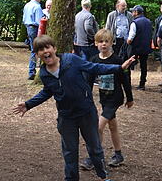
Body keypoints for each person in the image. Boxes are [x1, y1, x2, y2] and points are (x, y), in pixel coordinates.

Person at [13, 35, 136, 181]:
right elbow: (47, 91)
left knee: (95, 149)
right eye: (40, 49)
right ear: (37, 54)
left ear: (54, 49)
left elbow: (94, 67)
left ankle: (103, 176)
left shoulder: (71, 60)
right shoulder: (44, 73)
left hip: (86, 113)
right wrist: (28, 104)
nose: (45, 51)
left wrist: (119, 67)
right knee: (69, 152)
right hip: (66, 117)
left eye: (47, 47)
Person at [82, 29, 134, 169]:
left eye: (106, 41)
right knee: (112, 126)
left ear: (112, 43)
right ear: (96, 44)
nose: (103, 44)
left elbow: (125, 80)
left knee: (98, 127)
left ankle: (94, 157)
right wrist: (85, 96)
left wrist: (130, 98)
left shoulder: (117, 60)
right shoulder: (94, 60)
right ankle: (118, 155)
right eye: (100, 41)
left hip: (115, 98)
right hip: (104, 98)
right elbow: (88, 80)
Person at [125, 5, 152, 90]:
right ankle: (142, 84)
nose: (132, 13)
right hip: (145, 47)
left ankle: (127, 82)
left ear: (136, 12)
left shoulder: (135, 22)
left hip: (135, 48)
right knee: (144, 66)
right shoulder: (148, 21)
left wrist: (127, 42)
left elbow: (131, 36)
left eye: (133, 11)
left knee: (128, 64)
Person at [22, 0, 44, 80]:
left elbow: (24, 19)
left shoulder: (27, 5)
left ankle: (32, 71)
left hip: (28, 27)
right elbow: (39, 21)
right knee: (35, 50)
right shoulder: (37, 6)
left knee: (33, 49)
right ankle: (32, 71)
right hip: (34, 28)